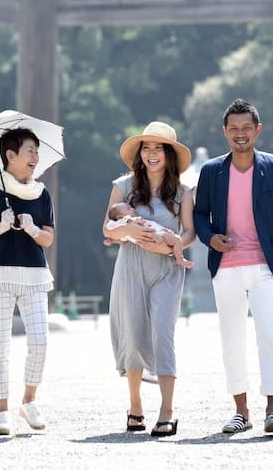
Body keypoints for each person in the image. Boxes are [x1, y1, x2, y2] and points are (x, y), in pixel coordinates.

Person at [194, 98, 273, 435]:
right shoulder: (212, 171)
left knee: (270, 334)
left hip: (266, 266)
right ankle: (241, 411)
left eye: (246, 128)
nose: (240, 134)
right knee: (232, 338)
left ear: (258, 129)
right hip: (225, 266)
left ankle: (272, 410)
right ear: (225, 132)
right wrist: (210, 238)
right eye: (234, 128)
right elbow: (199, 214)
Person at [104, 121, 196, 438]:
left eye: (158, 148)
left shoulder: (183, 192)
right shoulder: (123, 186)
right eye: (147, 147)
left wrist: (171, 244)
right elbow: (107, 228)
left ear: (169, 155)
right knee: (132, 332)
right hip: (130, 266)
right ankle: (135, 406)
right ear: (139, 153)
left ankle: (167, 410)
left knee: (162, 333)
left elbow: (190, 232)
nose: (151, 154)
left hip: (168, 268)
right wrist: (126, 230)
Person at [0, 127, 56, 436]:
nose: (35, 157)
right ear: (11, 155)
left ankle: (29, 401)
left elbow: (48, 238)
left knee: (40, 341)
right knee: (0, 346)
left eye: (36, 151)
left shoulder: (41, 193)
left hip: (33, 275)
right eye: (30, 151)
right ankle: (2, 411)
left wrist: (32, 230)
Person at [105, 201, 194, 269]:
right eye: (128, 209)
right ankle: (179, 258)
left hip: (160, 234)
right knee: (176, 239)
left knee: (177, 240)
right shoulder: (130, 221)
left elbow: (120, 237)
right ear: (120, 217)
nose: (132, 209)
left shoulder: (129, 225)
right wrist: (112, 239)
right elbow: (115, 231)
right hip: (155, 236)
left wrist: (112, 240)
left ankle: (179, 258)